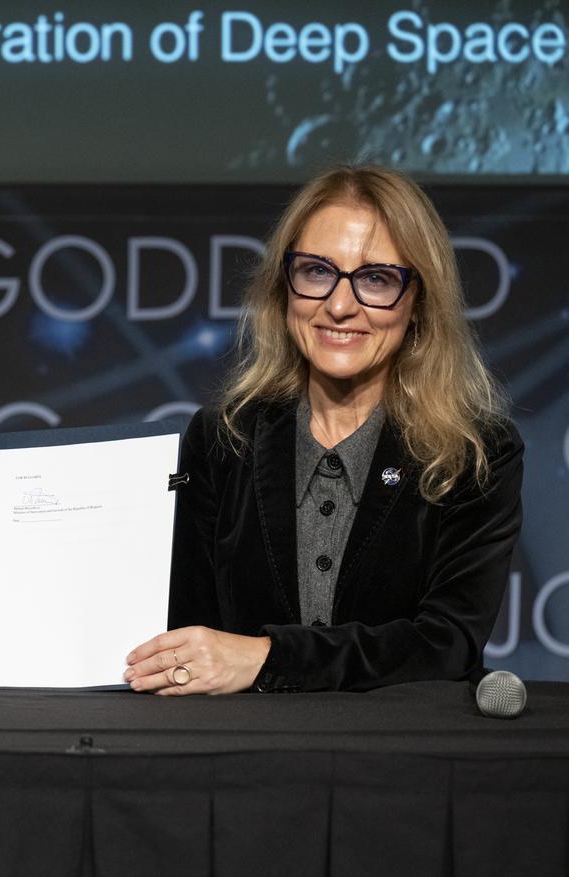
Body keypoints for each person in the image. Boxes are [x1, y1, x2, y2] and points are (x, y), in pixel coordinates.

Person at [123, 165, 523, 694]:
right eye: (316, 271)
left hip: (402, 760)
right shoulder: (223, 438)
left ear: (418, 303)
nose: (338, 304)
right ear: (284, 288)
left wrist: (271, 658)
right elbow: (187, 635)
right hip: (242, 756)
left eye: (376, 279)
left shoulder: (475, 453)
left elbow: (446, 643)